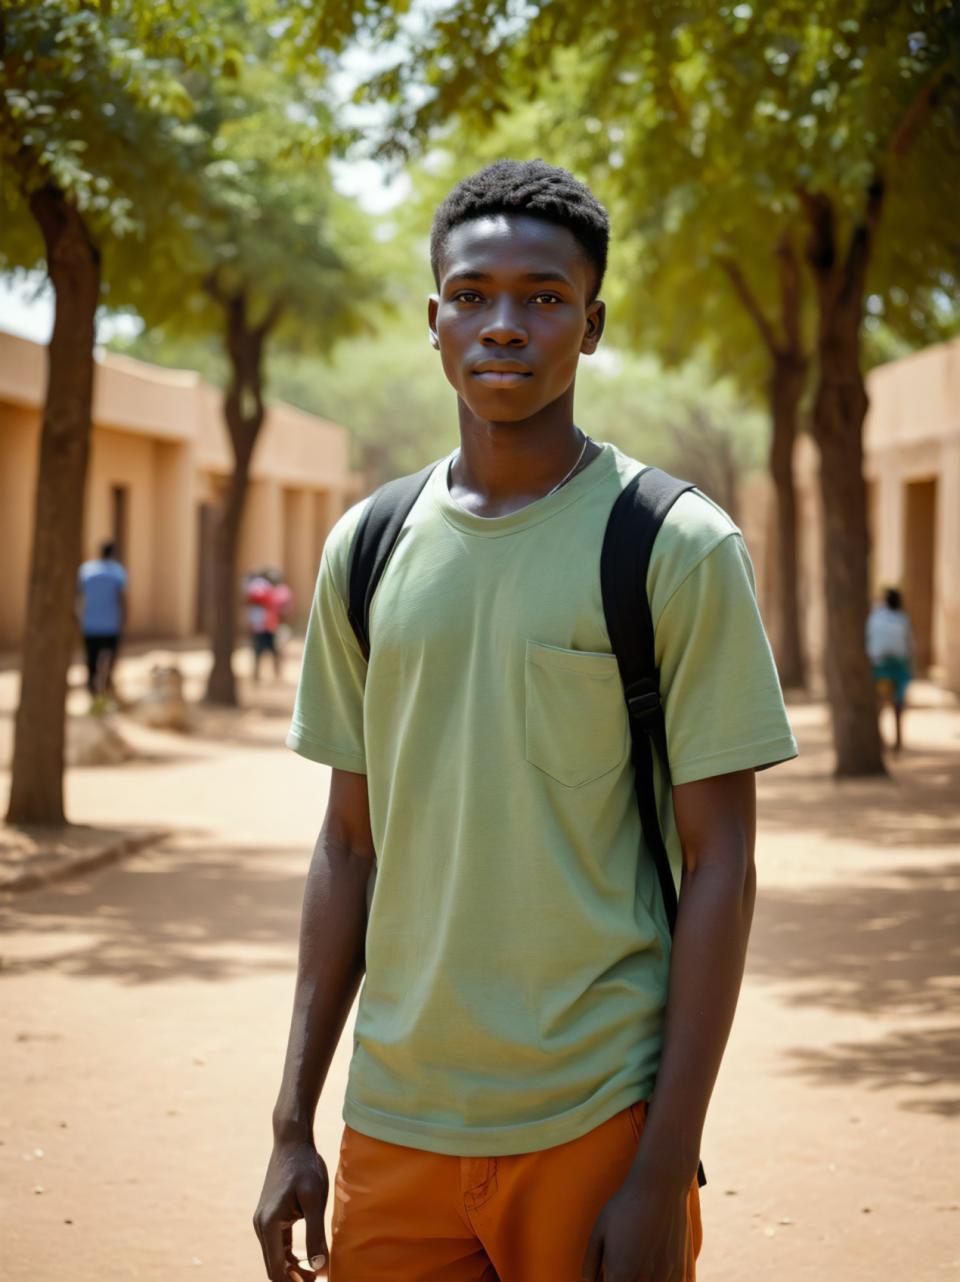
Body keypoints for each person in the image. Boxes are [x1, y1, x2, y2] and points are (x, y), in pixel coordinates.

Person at [254, 160, 798, 1282]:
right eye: (474, 294)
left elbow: (723, 863)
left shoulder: (674, 545)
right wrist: (290, 1120)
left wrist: (662, 1166)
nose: (505, 323)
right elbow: (346, 845)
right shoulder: (366, 548)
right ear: (435, 319)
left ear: (591, 326)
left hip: (594, 1117)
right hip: (395, 1123)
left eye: (544, 298)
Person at [76, 539, 127, 701]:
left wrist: (79, 617)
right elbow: (123, 598)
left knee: (91, 658)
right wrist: (124, 618)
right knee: (110, 657)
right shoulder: (117, 572)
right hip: (111, 624)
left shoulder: (86, 571)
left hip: (90, 624)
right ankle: (105, 685)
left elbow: (78, 596)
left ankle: (92, 688)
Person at [866, 586, 915, 753]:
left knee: (880, 703)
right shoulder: (903, 619)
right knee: (898, 704)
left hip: (880, 666)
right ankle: (898, 742)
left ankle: (878, 739)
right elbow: (910, 645)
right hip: (899, 666)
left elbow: (869, 641)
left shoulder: (875, 618)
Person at [246, 568, 293, 683]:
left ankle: (277, 676)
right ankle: (256, 676)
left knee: (276, 652)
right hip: (261, 628)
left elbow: (285, 609)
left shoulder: (281, 591)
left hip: (274, 627)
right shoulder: (261, 589)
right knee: (258, 652)